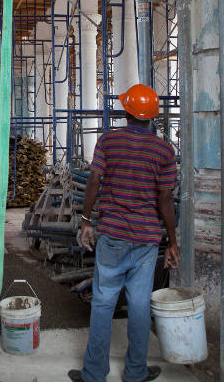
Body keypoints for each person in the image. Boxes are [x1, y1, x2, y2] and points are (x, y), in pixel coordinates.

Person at [68, 84, 179, 382]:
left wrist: (85, 220)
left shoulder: (108, 141)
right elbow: (165, 199)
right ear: (151, 117)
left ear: (126, 111)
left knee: (104, 302)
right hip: (146, 240)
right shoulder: (165, 150)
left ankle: (93, 374)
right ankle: (135, 372)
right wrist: (172, 241)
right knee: (140, 305)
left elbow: (93, 180)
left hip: (113, 235)